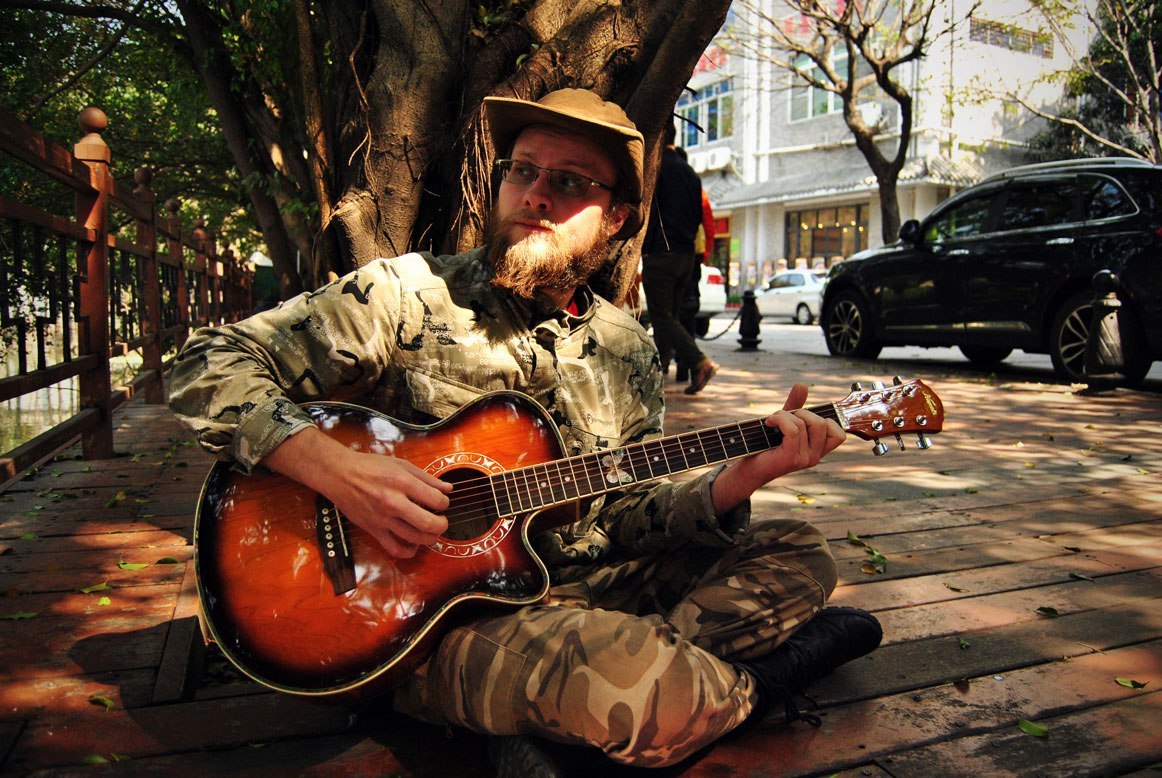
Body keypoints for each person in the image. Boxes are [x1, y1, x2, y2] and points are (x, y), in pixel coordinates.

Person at [168, 88, 881, 774]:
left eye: (570, 182)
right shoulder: (406, 295)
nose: (537, 194)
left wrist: (739, 478)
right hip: (431, 631)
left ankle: (569, 704)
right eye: (523, 171)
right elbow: (206, 364)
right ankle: (698, 687)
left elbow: (627, 514)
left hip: (583, 590)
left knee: (800, 554)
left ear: (617, 219)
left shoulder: (627, 346)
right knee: (644, 687)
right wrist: (337, 471)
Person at [640, 122, 718, 394]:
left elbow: (646, 212)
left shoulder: (657, 168)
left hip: (662, 252)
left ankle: (699, 362)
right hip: (686, 255)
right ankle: (657, 373)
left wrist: (646, 246)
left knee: (662, 317)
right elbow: (699, 218)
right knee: (669, 318)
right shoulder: (691, 174)